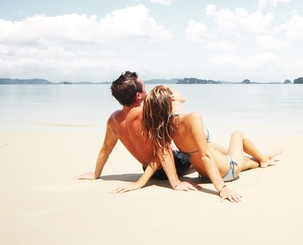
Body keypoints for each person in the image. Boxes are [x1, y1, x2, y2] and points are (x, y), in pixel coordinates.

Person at [115, 85, 282, 202]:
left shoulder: (167, 125)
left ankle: (263, 159)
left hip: (205, 175)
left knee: (224, 150)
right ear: (172, 97)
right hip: (226, 169)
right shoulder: (193, 117)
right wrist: (222, 189)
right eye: (174, 89)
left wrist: (141, 182)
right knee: (237, 135)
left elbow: (162, 155)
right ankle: (264, 159)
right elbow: (206, 155)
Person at [75, 72, 198, 192]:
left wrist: (96, 174)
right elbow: (164, 149)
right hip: (174, 166)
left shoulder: (113, 120)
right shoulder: (143, 113)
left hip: (149, 170)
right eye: (144, 86)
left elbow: (105, 149)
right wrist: (175, 183)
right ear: (139, 95)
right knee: (202, 152)